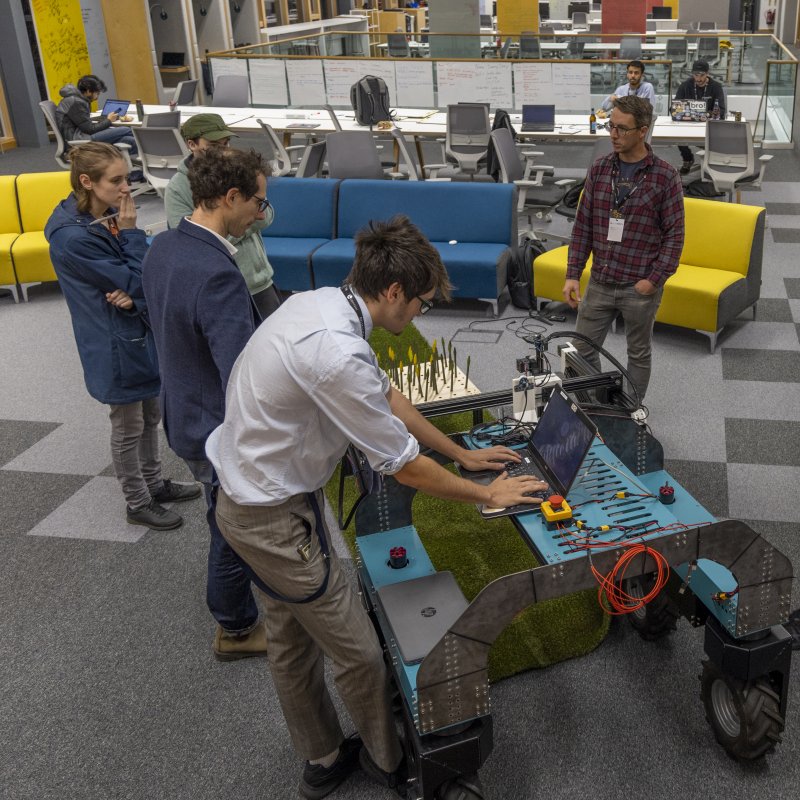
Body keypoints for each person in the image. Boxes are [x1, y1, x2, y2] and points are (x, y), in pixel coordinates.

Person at [206, 215, 547, 799]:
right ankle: (391, 766)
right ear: (392, 292)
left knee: (290, 638)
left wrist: (462, 456)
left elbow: (388, 397)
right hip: (270, 516)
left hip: (256, 493)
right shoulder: (335, 351)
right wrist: (489, 494)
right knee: (361, 654)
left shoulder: (323, 304)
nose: (420, 314)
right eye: (420, 303)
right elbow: (403, 466)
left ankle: (321, 759)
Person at [142, 148, 270, 661]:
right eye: (257, 202)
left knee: (220, 515)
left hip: (181, 411)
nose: (260, 214)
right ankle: (236, 627)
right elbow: (242, 373)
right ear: (231, 196)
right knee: (230, 526)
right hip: (216, 428)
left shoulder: (164, 246)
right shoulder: (219, 271)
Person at [44, 142, 200, 530]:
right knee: (128, 424)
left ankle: (153, 483)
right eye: (116, 181)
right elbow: (140, 276)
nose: (127, 188)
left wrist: (134, 289)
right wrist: (131, 241)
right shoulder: (73, 237)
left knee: (149, 414)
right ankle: (137, 501)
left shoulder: (106, 214)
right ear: (86, 181)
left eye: (128, 177)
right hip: (113, 342)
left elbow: (144, 274)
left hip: (135, 331)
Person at [562, 96, 685, 403]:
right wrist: (573, 274)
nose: (613, 135)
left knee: (638, 353)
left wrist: (653, 280)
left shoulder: (665, 176)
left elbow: (674, 236)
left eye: (621, 129)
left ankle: (630, 409)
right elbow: (583, 226)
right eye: (610, 126)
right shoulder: (601, 169)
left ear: (642, 131)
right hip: (601, 280)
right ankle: (599, 405)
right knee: (581, 349)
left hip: (639, 285)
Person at [164, 114, 281, 321]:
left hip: (260, 282)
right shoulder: (178, 187)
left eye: (226, 142)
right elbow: (188, 240)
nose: (224, 150)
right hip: (220, 287)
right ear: (192, 144)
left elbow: (266, 216)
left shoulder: (239, 172)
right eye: (214, 144)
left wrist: (224, 227)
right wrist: (235, 226)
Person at [56, 75, 138, 157]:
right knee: (127, 129)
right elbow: (90, 129)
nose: (97, 97)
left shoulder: (77, 99)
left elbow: (84, 123)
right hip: (79, 140)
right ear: (88, 91)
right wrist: (108, 120)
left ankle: (124, 165)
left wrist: (107, 119)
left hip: (81, 135)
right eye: (97, 93)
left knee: (130, 140)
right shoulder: (76, 102)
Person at [674, 60, 727, 174]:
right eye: (695, 75)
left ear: (707, 73)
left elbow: (721, 110)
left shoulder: (716, 87)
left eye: (702, 75)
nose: (698, 79)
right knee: (677, 135)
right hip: (689, 124)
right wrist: (685, 113)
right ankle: (688, 159)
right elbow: (675, 107)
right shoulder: (685, 86)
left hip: (708, 125)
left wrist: (707, 115)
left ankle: (712, 164)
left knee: (712, 142)